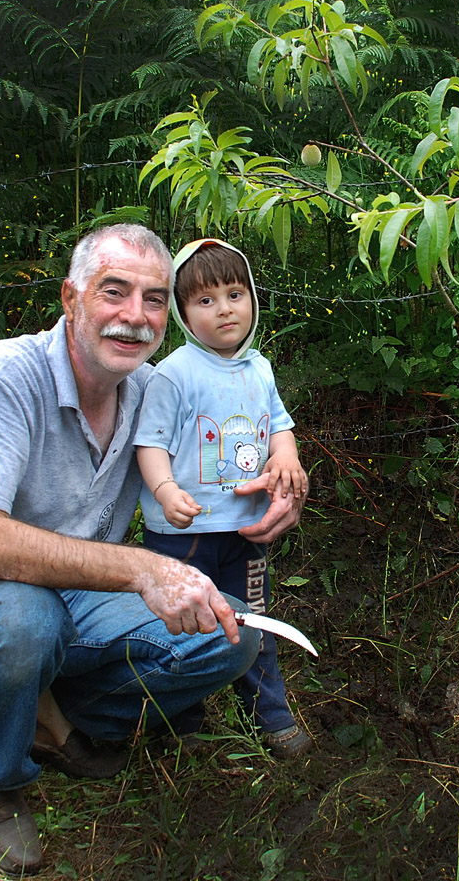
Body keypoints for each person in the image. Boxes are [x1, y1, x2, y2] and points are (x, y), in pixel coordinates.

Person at [0, 224, 304, 876]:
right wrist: (143, 567)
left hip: (73, 602)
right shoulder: (2, 378)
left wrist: (278, 489)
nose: (135, 316)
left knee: (231, 631)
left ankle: (54, 719)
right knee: (23, 618)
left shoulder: (148, 392)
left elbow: (219, 467)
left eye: (155, 299)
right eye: (115, 292)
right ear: (70, 298)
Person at [135, 239, 312, 759]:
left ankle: (270, 718)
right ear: (183, 313)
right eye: (205, 301)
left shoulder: (259, 368)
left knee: (252, 620)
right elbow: (151, 443)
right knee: (182, 622)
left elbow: (279, 426)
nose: (224, 310)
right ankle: (180, 727)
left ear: (253, 297)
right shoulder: (176, 373)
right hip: (183, 533)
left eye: (235, 294)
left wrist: (287, 458)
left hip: (245, 528)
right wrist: (166, 491)